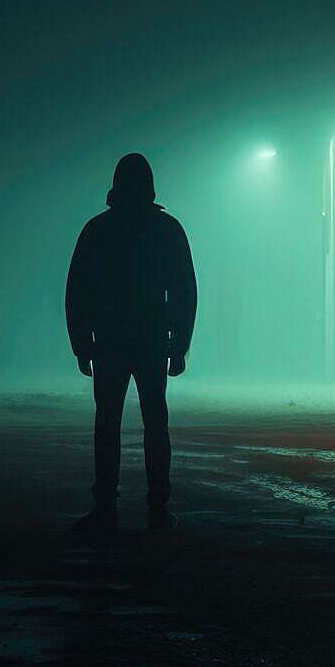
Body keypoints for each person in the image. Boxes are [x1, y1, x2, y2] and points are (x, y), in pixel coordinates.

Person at [65, 152, 196, 532]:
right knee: (156, 422)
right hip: (152, 339)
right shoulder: (167, 229)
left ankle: (105, 503)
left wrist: (81, 342)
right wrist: (180, 343)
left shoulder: (97, 230)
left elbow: (78, 291)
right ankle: (158, 504)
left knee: (107, 422)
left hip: (108, 341)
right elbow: (184, 291)